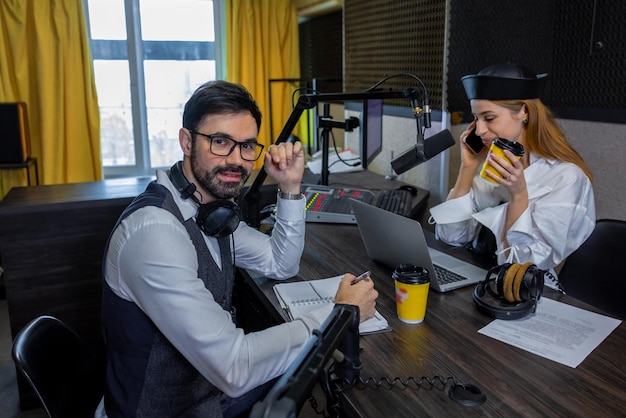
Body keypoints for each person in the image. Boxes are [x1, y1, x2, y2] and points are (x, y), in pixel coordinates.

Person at [99, 80, 378, 417]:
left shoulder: (210, 210)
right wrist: (340, 314)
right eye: (220, 142)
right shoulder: (155, 234)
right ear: (187, 142)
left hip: (207, 394)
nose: (236, 160)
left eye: (247, 146)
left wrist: (289, 187)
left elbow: (281, 262)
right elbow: (236, 369)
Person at [429, 62, 595, 271]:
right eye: (476, 118)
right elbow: (450, 236)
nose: (479, 130)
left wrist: (518, 195)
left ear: (524, 112)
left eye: (489, 118)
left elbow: (517, 267)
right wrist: (468, 168)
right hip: (479, 276)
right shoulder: (493, 164)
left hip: (525, 292)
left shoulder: (568, 178)